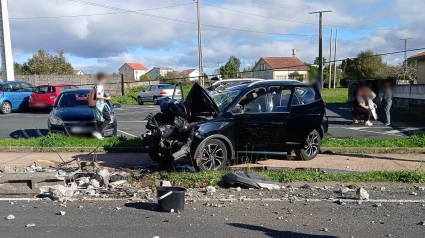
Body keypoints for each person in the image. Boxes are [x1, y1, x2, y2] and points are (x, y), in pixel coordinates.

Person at [93, 72, 112, 140]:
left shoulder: (97, 85)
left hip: (98, 104)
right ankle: (98, 132)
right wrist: (107, 98)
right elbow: (97, 95)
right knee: (108, 118)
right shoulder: (100, 86)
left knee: (99, 120)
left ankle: (98, 135)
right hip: (100, 104)